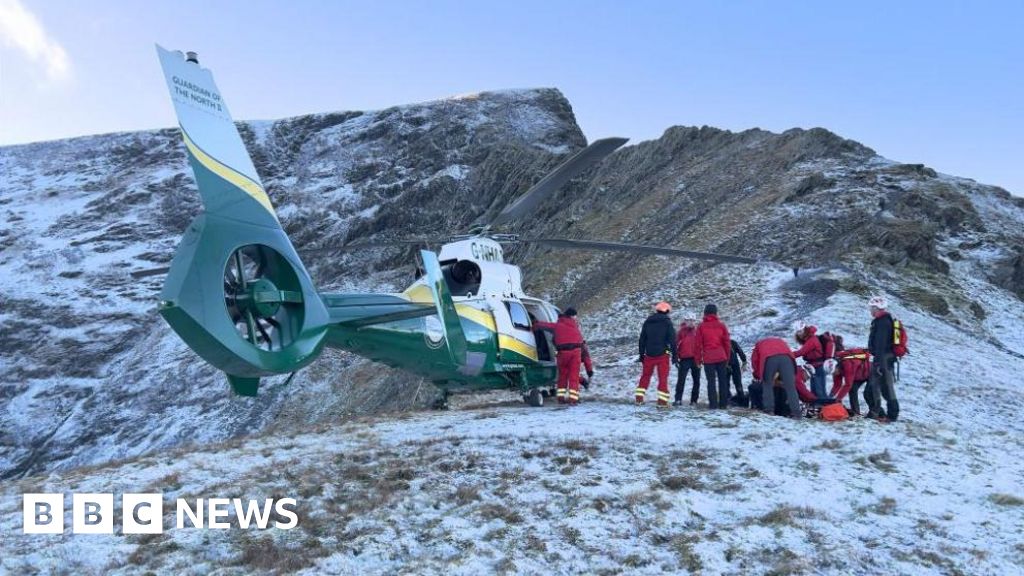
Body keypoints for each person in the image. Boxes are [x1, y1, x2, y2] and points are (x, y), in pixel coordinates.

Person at [541, 307, 590, 406]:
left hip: (561, 354)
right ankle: (573, 400)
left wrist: (534, 325)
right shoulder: (575, 325)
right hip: (575, 353)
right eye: (575, 316)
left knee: (562, 377)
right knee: (573, 377)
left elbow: (545, 325)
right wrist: (590, 371)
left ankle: (561, 398)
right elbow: (585, 352)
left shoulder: (557, 325)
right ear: (572, 316)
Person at [636, 302, 677, 407]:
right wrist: (675, 356)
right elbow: (673, 340)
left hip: (648, 355)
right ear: (667, 311)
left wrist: (641, 355)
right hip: (662, 355)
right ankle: (662, 402)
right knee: (663, 378)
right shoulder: (667, 323)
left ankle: (639, 399)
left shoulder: (647, 322)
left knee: (645, 376)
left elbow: (642, 340)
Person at [750, 337, 802, 419]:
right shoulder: (781, 341)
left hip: (769, 358)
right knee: (790, 387)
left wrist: (757, 375)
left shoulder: (758, 345)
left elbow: (755, 361)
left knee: (767, 385)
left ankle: (769, 410)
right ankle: (796, 413)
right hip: (787, 358)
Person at [866, 296, 900, 421]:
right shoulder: (883, 320)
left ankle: (890, 415)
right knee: (883, 388)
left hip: (883, 360)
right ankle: (881, 413)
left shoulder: (883, 322)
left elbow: (880, 344)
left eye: (871, 307)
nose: (870, 310)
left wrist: (878, 364)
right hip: (884, 359)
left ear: (876, 308)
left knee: (884, 388)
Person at [695, 303, 731, 409]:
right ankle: (723, 404)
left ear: (705, 313)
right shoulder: (721, 325)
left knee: (711, 381)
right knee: (722, 381)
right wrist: (727, 357)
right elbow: (727, 343)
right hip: (721, 357)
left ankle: (713, 405)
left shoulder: (701, 326)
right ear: (716, 313)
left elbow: (697, 345)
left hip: (708, 358)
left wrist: (698, 360)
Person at [829, 336, 873, 416]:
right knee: (852, 390)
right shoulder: (836, 368)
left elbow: (848, 384)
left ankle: (878, 413)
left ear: (836, 366)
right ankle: (856, 412)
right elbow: (837, 385)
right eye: (831, 373)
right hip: (859, 375)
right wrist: (829, 397)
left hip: (871, 372)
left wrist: (838, 399)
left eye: (834, 372)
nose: (833, 374)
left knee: (868, 394)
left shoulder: (848, 364)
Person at [791, 321, 829, 402]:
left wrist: (787, 354)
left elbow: (801, 352)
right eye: (797, 332)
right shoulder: (809, 339)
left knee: (819, 391)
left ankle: (827, 410)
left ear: (805, 329)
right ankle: (821, 409)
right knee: (815, 390)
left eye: (800, 331)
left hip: (818, 367)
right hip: (814, 366)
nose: (799, 334)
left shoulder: (812, 340)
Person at [672, 313, 700, 407]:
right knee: (681, 380)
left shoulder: (698, 331)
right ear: (685, 321)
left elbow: (702, 345)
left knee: (696, 381)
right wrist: (675, 358)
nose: (691, 322)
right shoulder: (681, 332)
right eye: (689, 320)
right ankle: (678, 399)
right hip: (684, 359)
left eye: (693, 320)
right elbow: (675, 346)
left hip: (696, 359)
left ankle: (694, 401)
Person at [726, 339, 748, 406]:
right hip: (734, 364)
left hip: (724, 364)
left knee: (725, 383)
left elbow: (740, 351)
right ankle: (742, 400)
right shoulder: (732, 342)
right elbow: (740, 351)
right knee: (738, 382)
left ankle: (727, 399)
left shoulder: (719, 343)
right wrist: (744, 361)